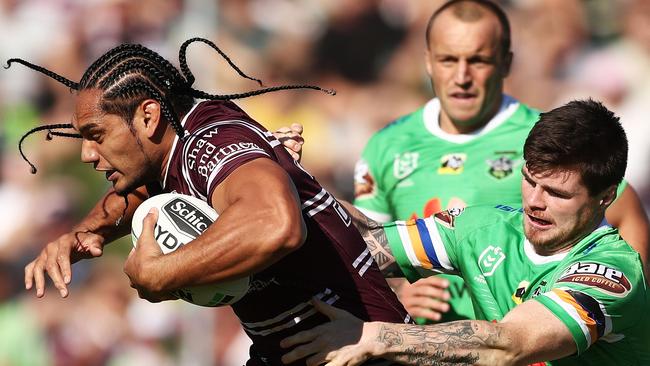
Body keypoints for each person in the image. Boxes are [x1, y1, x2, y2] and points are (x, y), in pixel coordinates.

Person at [9, 38, 411, 365]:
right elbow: (144, 190)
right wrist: (84, 234)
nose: (86, 154)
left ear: (148, 117)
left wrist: (163, 273)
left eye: (96, 134)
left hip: (365, 353)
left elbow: (277, 225)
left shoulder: (212, 144)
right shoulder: (178, 145)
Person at [281, 0, 649, 324]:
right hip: (425, 343)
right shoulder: (387, 144)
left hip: (525, 341)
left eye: (478, 60)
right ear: (427, 61)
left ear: (505, 63)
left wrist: (630, 321)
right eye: (448, 59)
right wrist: (395, 291)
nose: (462, 77)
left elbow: (622, 208)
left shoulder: (545, 141)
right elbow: (363, 237)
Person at [280, 99, 650, 365]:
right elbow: (362, 241)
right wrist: (291, 181)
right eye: (529, 181)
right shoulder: (482, 228)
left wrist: (374, 336)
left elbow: (509, 346)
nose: (535, 202)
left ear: (606, 197)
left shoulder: (612, 274)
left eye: (556, 193)